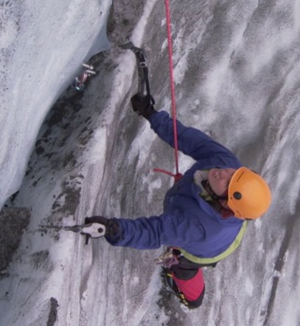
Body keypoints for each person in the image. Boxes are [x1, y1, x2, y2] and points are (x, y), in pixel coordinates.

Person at [84, 93, 272, 309]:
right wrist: (152, 115)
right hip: (211, 221)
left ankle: (179, 280)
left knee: (194, 300)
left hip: (200, 250)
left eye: (228, 185)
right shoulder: (225, 163)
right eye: (234, 174)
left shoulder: (196, 226)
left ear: (225, 203)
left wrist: (112, 230)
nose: (223, 173)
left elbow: (153, 232)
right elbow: (188, 138)